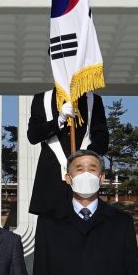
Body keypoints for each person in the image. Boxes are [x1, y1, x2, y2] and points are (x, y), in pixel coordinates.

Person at [24, 89, 109, 217]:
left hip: (84, 178)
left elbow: (102, 139)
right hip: (52, 180)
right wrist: (59, 121)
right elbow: (33, 136)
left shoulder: (93, 99)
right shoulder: (42, 98)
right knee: (51, 229)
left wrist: (85, 157)